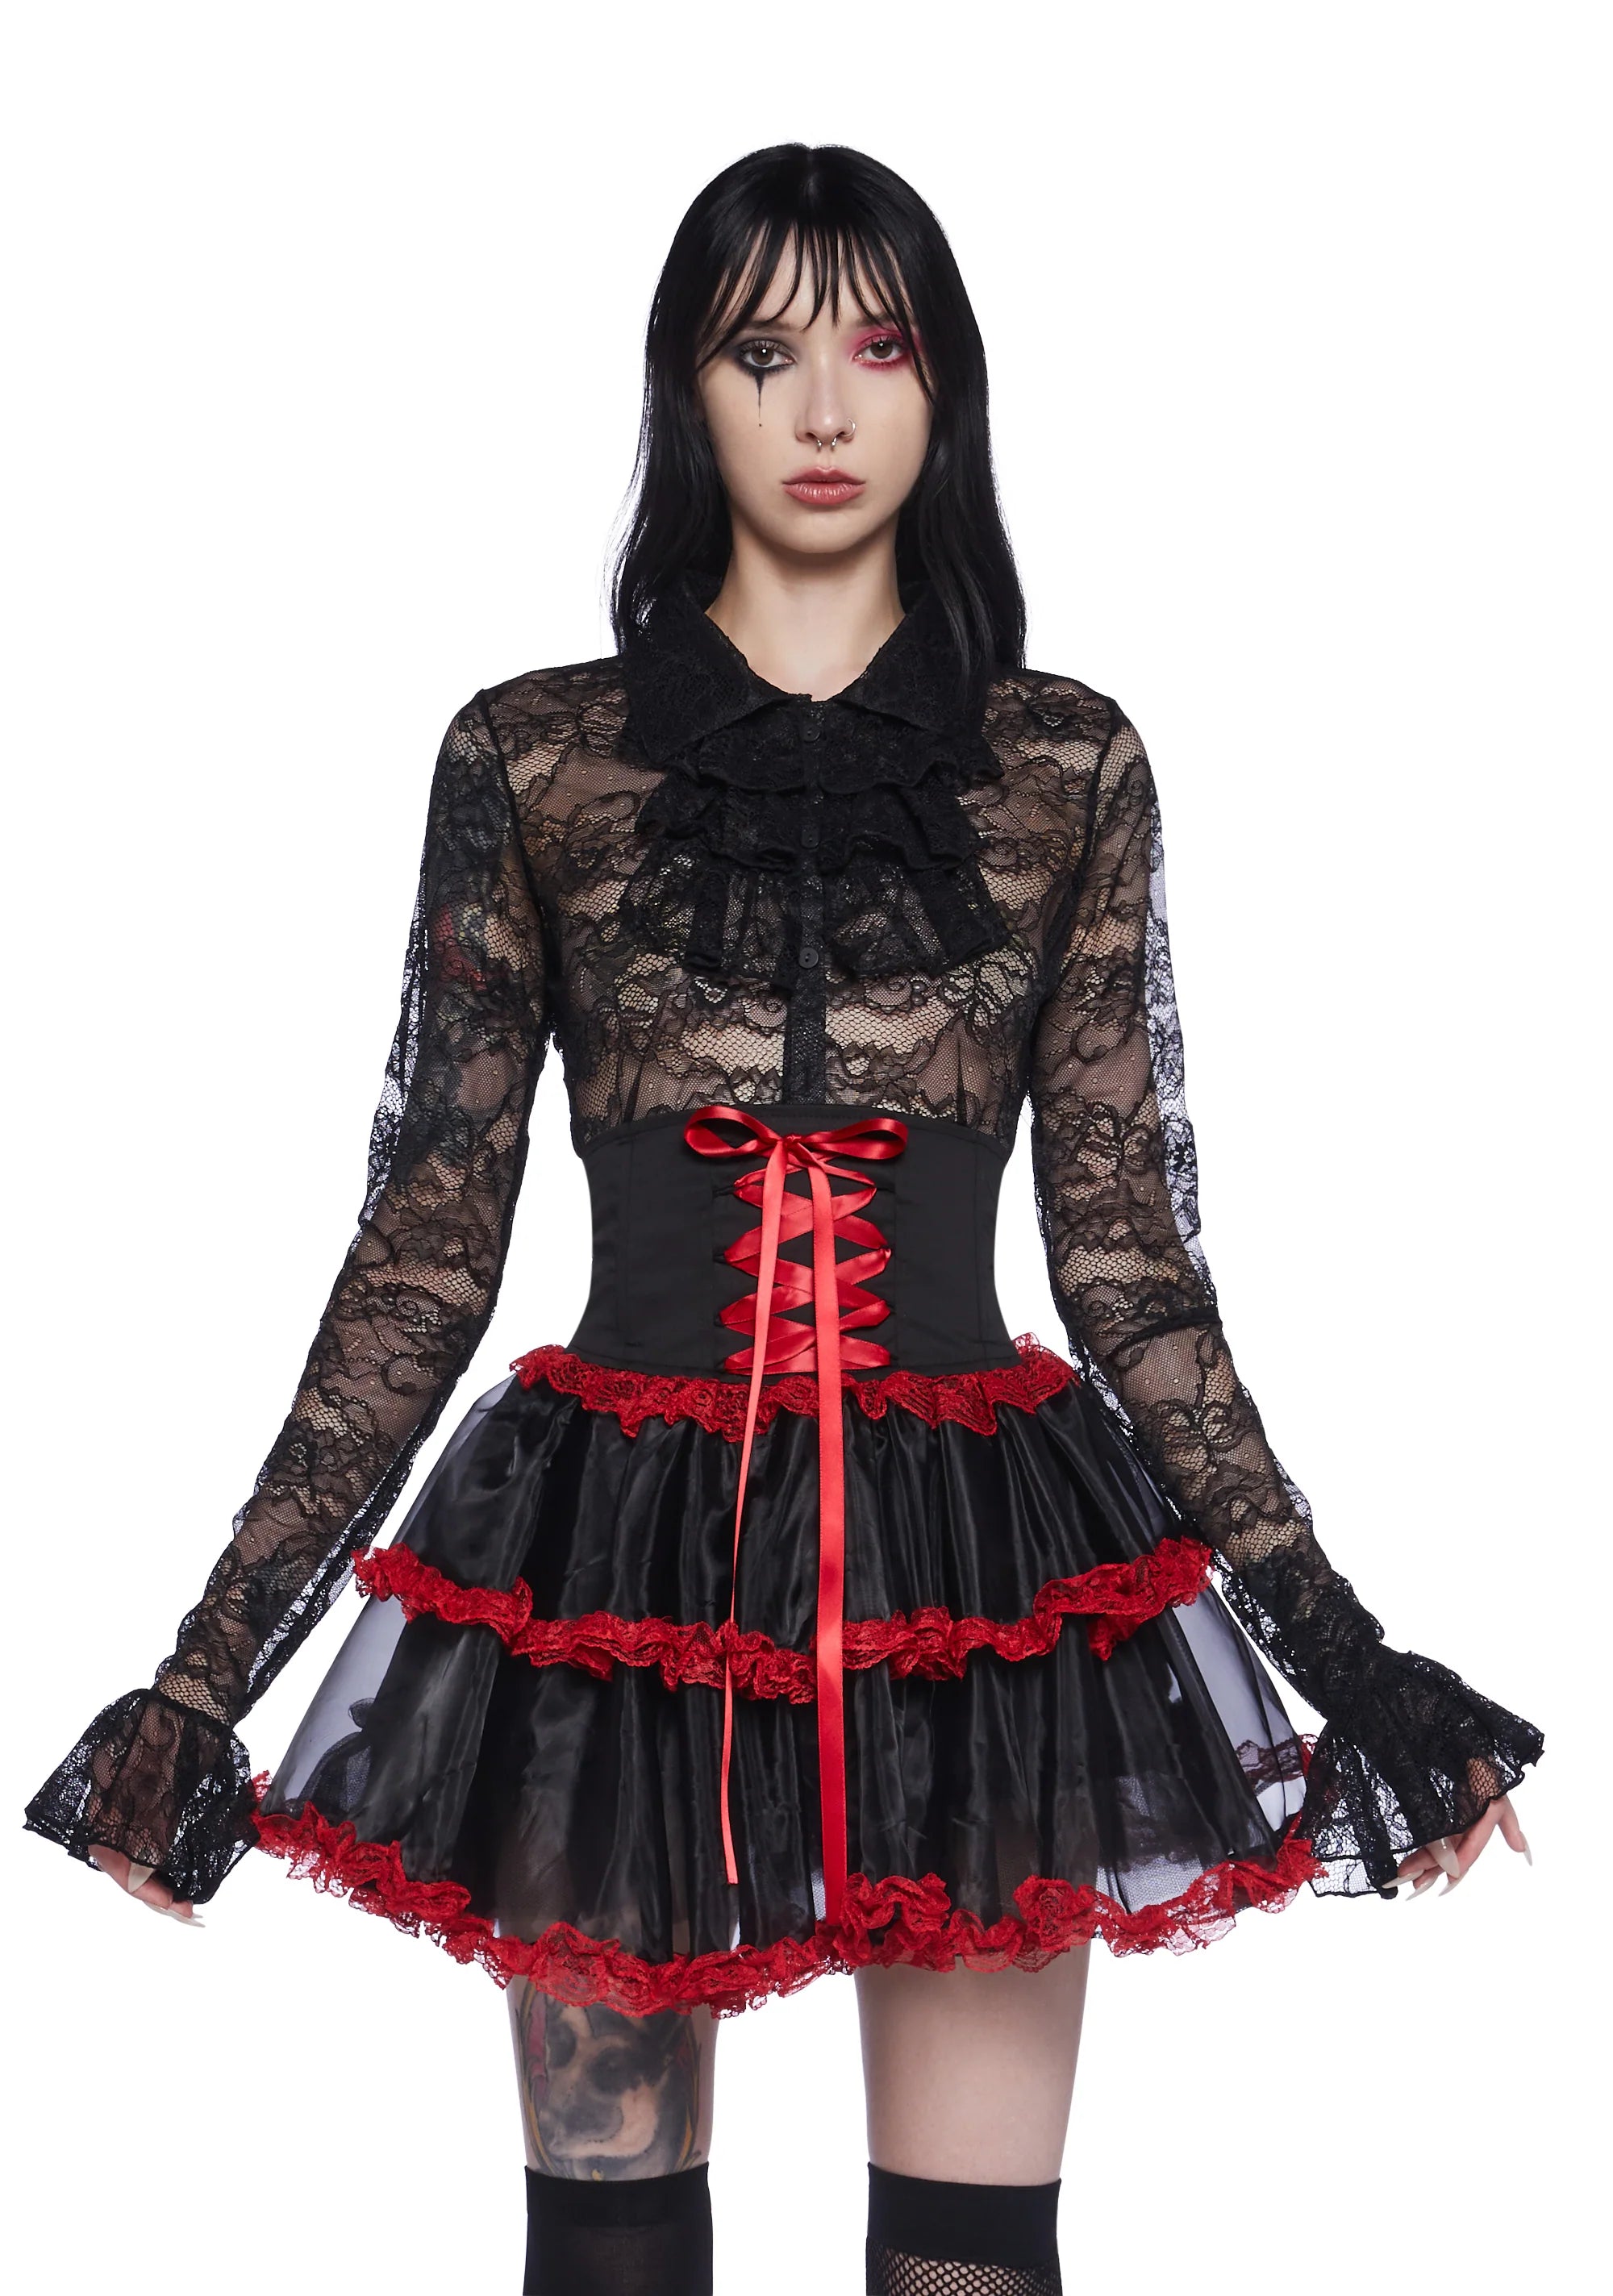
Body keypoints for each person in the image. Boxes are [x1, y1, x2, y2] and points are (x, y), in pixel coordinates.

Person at [24, 143, 1543, 2296]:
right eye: (763, 354)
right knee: (611, 2258)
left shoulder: (1066, 767)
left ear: (947, 390)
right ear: (687, 391)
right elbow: (425, 1251)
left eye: (880, 348)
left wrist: (1351, 1665)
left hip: (982, 1591)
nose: (825, 409)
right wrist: (204, 1680)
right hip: (611, 1583)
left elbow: (1128, 1259)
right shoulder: (534, 760)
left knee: (970, 2269)